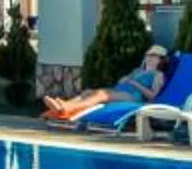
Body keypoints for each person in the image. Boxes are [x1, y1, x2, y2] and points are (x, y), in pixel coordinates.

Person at [43, 44, 171, 125]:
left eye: (154, 55)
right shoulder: (138, 71)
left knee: (101, 95)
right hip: (121, 90)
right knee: (88, 92)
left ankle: (66, 109)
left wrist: (135, 83)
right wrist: (125, 79)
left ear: (160, 60)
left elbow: (152, 96)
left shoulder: (158, 75)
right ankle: (62, 107)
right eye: (149, 54)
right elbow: (121, 82)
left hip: (133, 96)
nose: (149, 57)